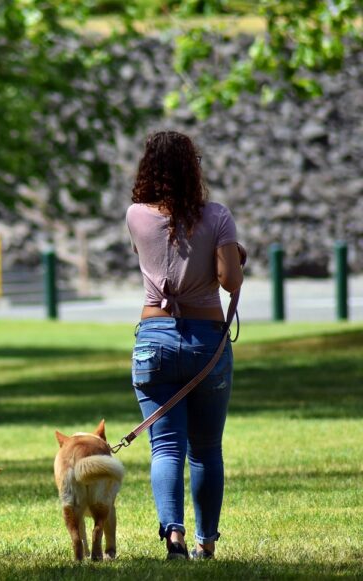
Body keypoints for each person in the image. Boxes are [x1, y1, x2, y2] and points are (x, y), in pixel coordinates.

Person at [125, 130, 245, 561]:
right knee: (206, 449)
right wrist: (232, 253)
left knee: (166, 446)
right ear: (193, 169)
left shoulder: (135, 215)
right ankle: (206, 542)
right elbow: (229, 280)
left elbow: (166, 252)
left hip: (152, 342)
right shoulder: (217, 216)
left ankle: (172, 537)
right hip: (205, 342)